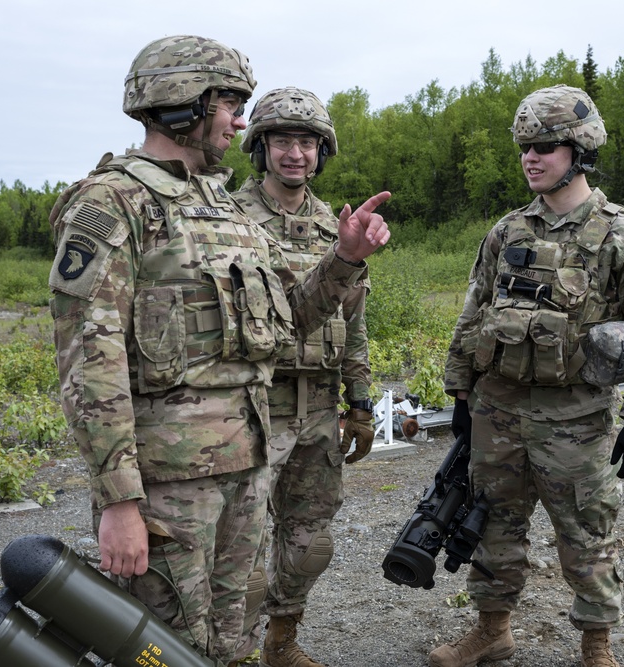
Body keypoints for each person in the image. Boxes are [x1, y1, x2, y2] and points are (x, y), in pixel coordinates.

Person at [47, 36, 389, 665]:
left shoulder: (222, 209)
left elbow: (286, 324)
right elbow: (89, 367)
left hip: (245, 470)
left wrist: (343, 260)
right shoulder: (113, 203)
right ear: (181, 102)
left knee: (234, 643)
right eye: (229, 103)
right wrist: (120, 502)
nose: (239, 120)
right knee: (164, 648)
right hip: (167, 488)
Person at [437, 85, 624, 667]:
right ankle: (492, 631)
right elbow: (475, 312)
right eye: (525, 147)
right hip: (499, 409)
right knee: (492, 523)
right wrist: (461, 392)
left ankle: (597, 646)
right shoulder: (508, 231)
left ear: (581, 150)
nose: (530, 158)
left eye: (545, 146)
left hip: (575, 416)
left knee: (586, 534)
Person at [230, 87, 375, 667]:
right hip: (251, 405)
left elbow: (356, 322)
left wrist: (360, 401)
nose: (296, 153)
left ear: (321, 151)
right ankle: (228, 652)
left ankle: (281, 643)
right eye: (283, 141)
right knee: (237, 554)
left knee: (310, 543)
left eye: (307, 142)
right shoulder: (227, 217)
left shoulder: (336, 225)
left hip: (317, 405)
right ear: (260, 148)